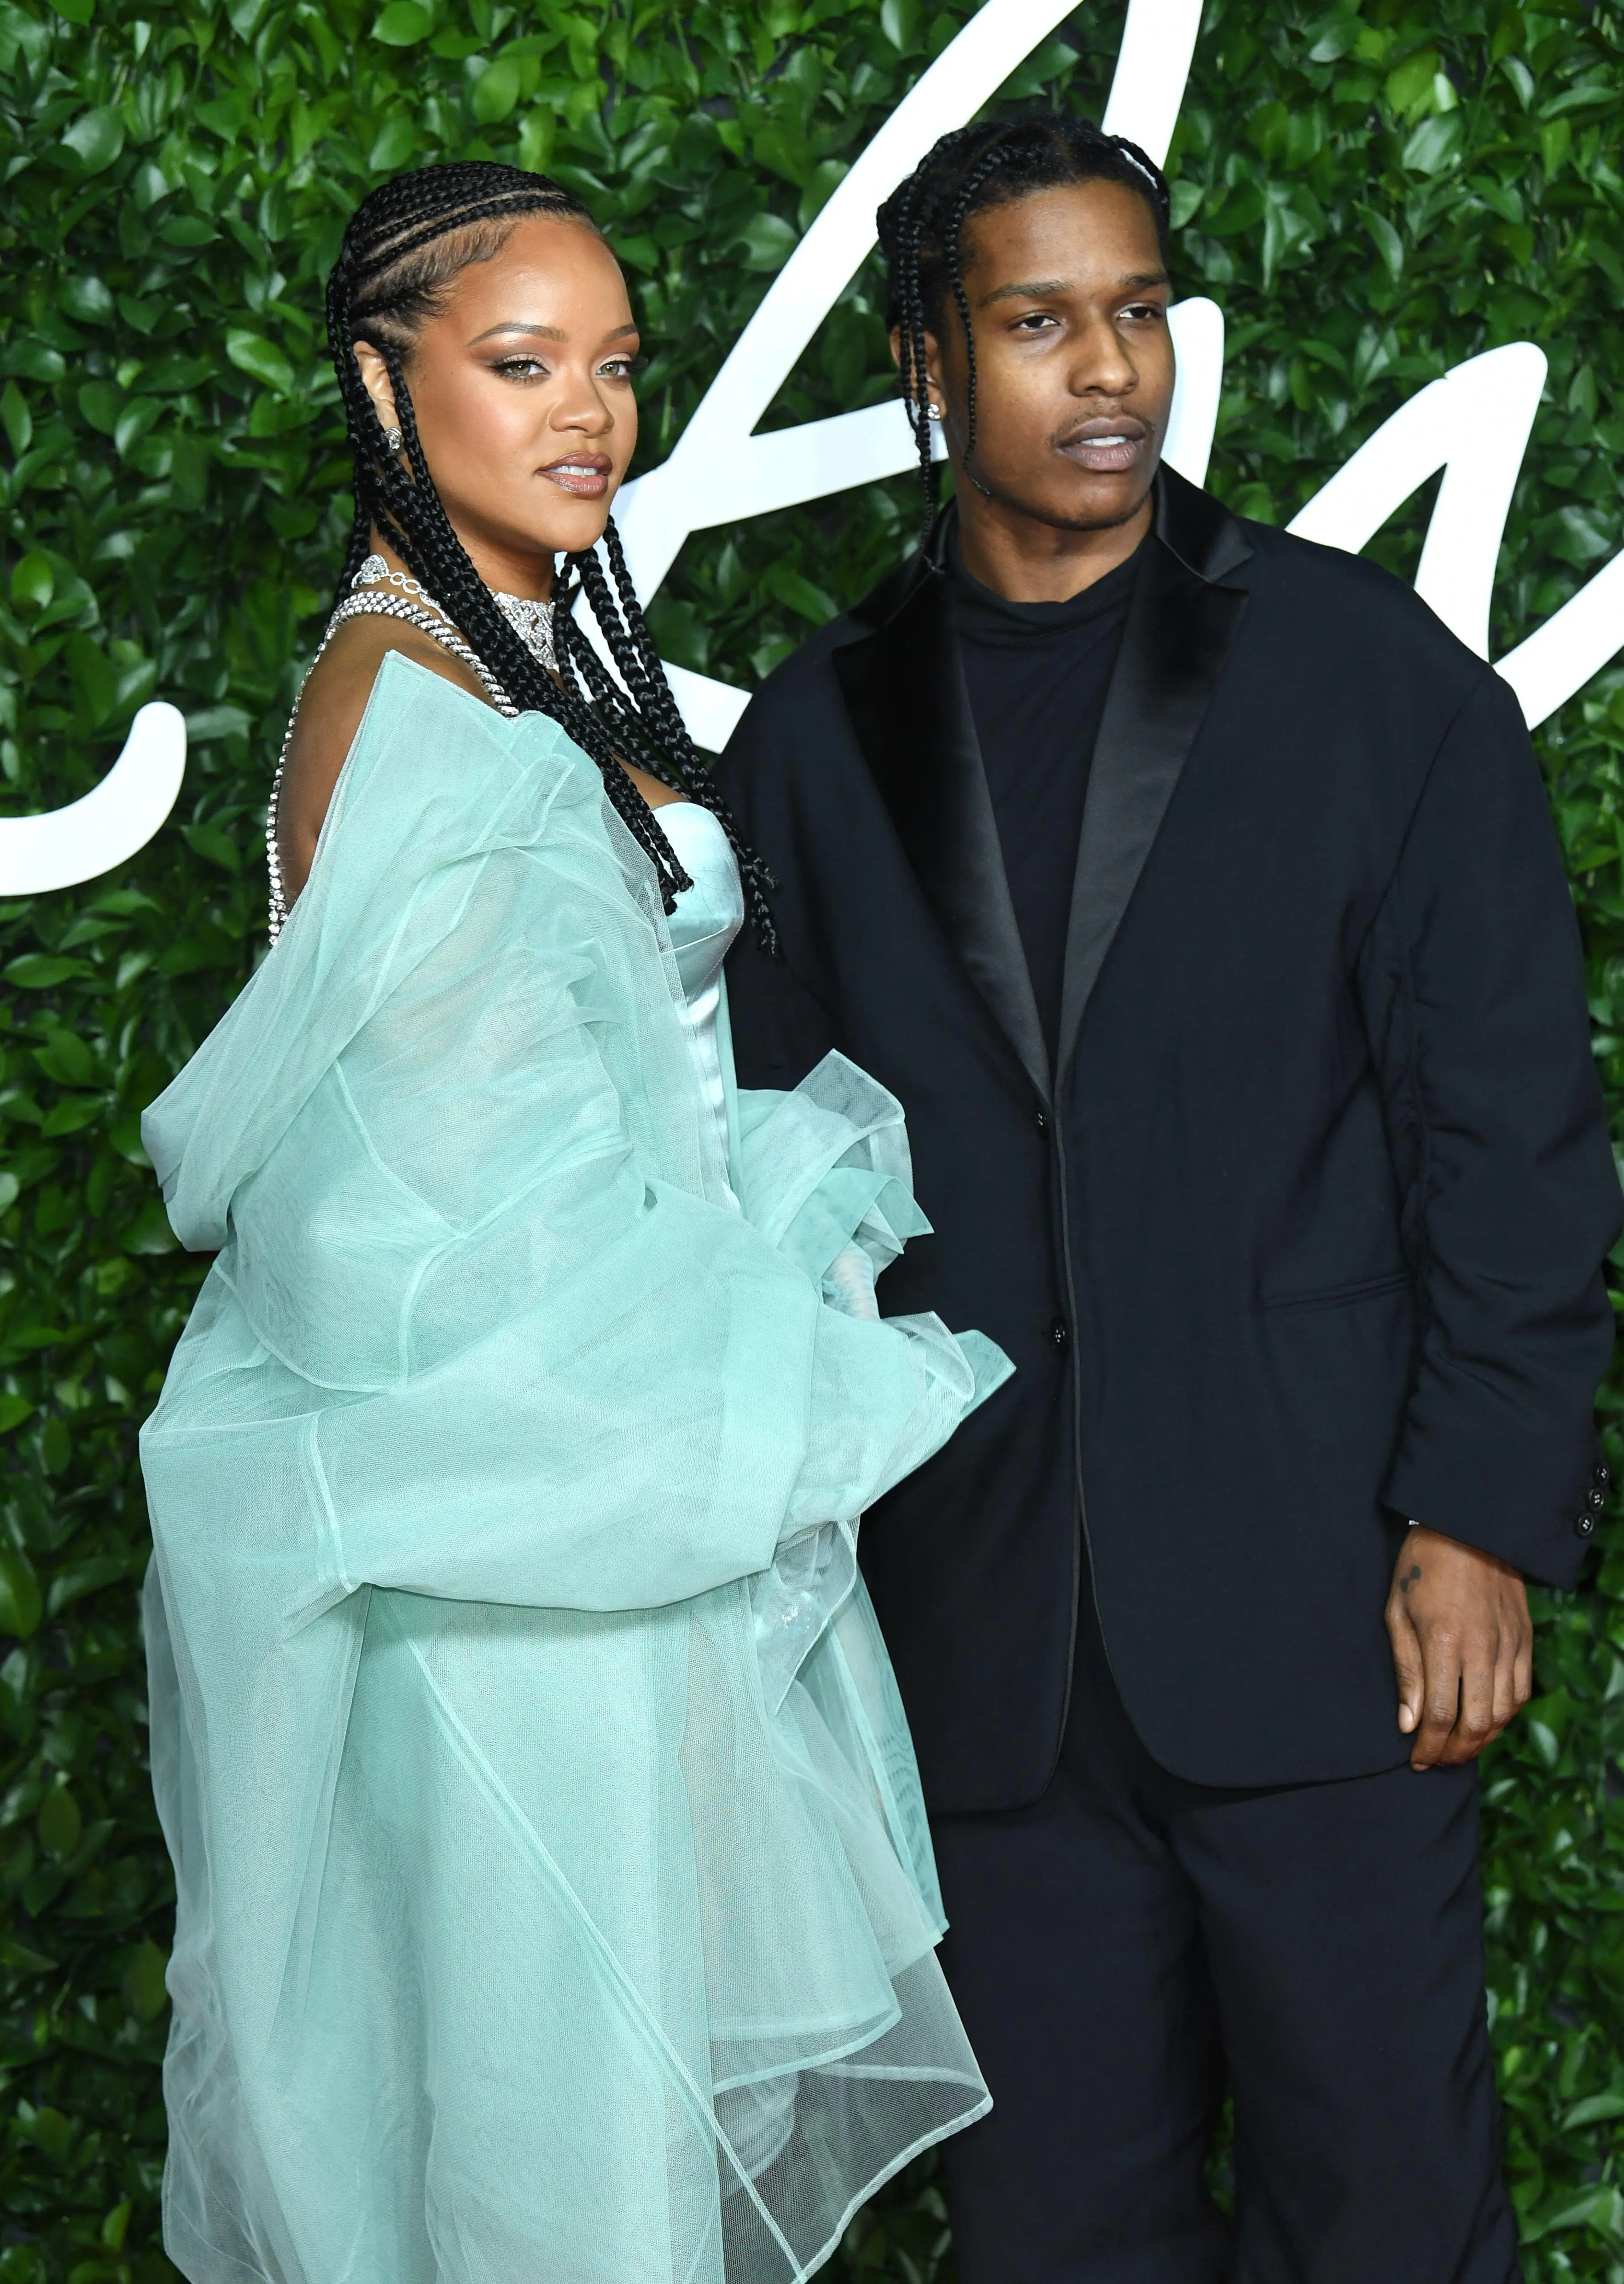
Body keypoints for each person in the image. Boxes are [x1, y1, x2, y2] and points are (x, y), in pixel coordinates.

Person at [719, 113, 1620, 2284]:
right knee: (1052, 2240)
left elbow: (1507, 1125)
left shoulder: (1360, 676)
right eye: (1040, 323)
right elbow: (768, 1195)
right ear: (932, 368)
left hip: (1326, 1618)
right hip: (983, 1658)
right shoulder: (820, 739)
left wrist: (1479, 1513)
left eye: (1138, 315)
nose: (1108, 370)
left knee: (1386, 2222)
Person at [138, 160, 1012, 2284]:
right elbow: (421, 1239)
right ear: (380, 378)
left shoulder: (505, 661)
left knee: (595, 2144)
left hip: (600, 1535)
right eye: (520, 363)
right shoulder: (414, 702)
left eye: (615, 366)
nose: (589, 412)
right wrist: (760, 1319)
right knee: (563, 2166)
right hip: (525, 1556)